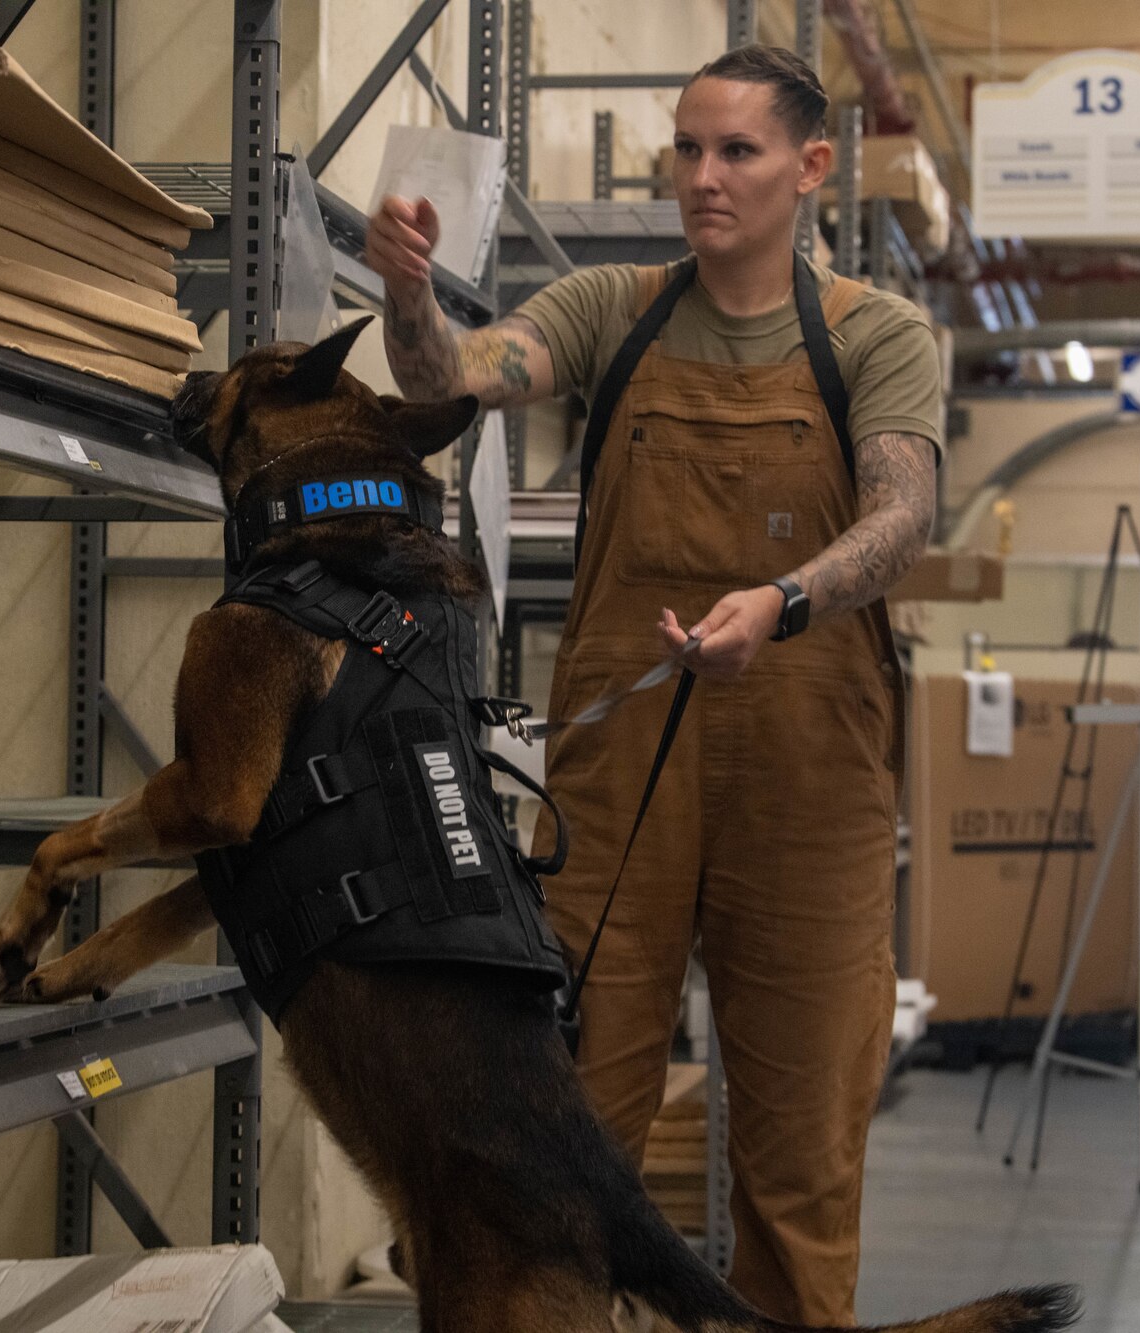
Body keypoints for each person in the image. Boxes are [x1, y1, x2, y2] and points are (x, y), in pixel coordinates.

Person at [362, 43, 943, 1327]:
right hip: (620, 783)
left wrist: (784, 604)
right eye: (685, 148)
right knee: (562, 1133)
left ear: (808, 167)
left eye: (734, 151)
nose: (701, 175)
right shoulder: (608, 308)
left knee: (798, 1157)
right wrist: (405, 296)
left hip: (809, 789)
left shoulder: (875, 337)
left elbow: (904, 510)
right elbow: (449, 375)